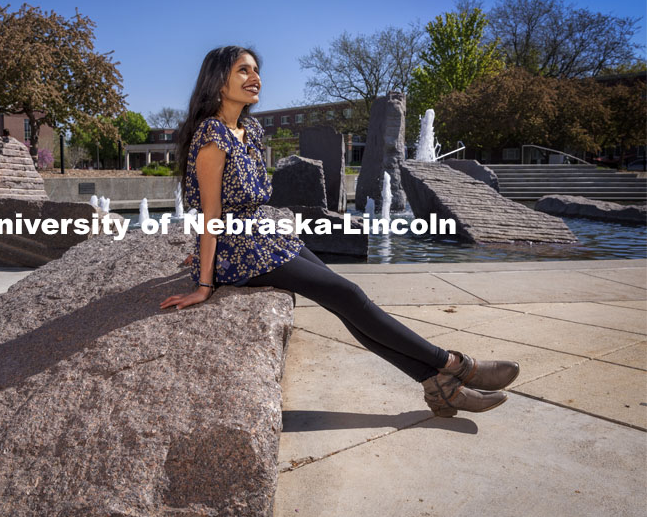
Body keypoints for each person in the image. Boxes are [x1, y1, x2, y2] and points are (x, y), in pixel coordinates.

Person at [159, 46, 520, 417]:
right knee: (347, 292)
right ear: (219, 82)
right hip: (240, 250)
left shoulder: (248, 129)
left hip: (264, 235)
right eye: (243, 71)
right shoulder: (211, 136)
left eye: (256, 70)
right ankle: (455, 365)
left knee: (344, 299)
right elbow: (210, 213)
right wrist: (204, 283)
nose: (255, 79)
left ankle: (437, 385)